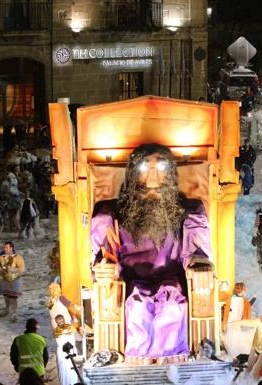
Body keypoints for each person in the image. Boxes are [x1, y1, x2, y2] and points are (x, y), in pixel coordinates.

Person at [90, 143, 212, 363]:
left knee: (173, 307)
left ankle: (175, 360)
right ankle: (135, 359)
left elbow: (195, 249)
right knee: (137, 308)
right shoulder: (113, 214)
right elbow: (106, 255)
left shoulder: (188, 211)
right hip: (132, 283)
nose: (153, 176)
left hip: (172, 282)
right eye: (146, 168)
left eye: (161, 167)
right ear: (134, 173)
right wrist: (106, 267)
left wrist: (198, 262)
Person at [0, 241, 25, 322]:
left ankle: (14, 313)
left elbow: (22, 268)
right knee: (6, 295)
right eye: (4, 247)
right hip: (4, 280)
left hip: (15, 280)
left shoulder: (18, 257)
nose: (4, 249)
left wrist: (14, 269)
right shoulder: (1, 257)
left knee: (13, 297)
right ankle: (7, 309)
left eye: (6, 247)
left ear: (11, 248)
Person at [53, 314, 81, 385]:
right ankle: (73, 383)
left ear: (56, 322)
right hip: (71, 349)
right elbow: (78, 337)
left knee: (63, 369)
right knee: (72, 368)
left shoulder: (56, 331)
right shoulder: (70, 327)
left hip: (62, 352)